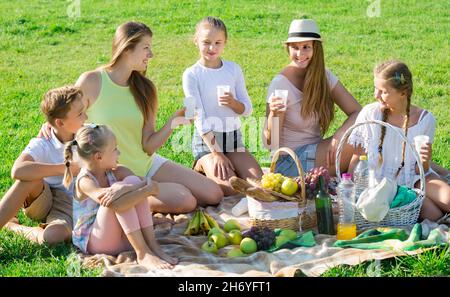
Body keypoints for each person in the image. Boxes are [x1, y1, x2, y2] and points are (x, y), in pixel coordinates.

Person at [41, 21, 223, 214]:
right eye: (146, 48)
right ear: (127, 49)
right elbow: (67, 114)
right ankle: (132, 198)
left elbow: (148, 145)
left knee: (214, 194)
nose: (151, 54)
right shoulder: (92, 81)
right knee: (186, 200)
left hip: (146, 163)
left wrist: (172, 122)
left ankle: (135, 196)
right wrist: (50, 125)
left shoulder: (146, 89)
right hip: (112, 170)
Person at [347, 60, 450, 221]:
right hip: (382, 185)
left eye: (383, 91)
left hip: (415, 179)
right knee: (434, 216)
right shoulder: (371, 114)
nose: (376, 95)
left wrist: (425, 160)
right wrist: (354, 191)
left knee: (448, 199)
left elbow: (419, 170)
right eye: (376, 89)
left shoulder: (425, 119)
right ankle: (421, 205)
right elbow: (357, 160)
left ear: (403, 92)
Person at [63, 124, 177, 269]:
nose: (119, 153)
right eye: (115, 149)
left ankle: (152, 245)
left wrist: (132, 187)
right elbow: (114, 202)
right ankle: (142, 253)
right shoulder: (85, 181)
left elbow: (146, 184)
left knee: (131, 182)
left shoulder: (117, 171)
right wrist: (143, 189)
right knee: (119, 194)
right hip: (97, 242)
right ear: (99, 156)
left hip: (123, 238)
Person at [263, 19, 361, 176]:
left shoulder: (323, 76)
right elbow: (270, 143)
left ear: (316, 48)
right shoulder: (280, 84)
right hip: (288, 162)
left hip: (315, 151)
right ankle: (352, 186)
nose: (300, 54)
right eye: (295, 47)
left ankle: (353, 183)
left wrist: (339, 135)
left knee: (364, 134)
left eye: (306, 47)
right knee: (360, 144)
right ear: (288, 49)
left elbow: (358, 112)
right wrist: (274, 115)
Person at [182, 16, 263, 195]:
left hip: (233, 140)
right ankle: (202, 164)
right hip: (208, 143)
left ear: (225, 42)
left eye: (218, 42)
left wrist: (234, 104)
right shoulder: (191, 74)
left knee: (259, 185)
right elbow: (196, 116)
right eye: (206, 42)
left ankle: (220, 165)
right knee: (231, 191)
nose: (212, 48)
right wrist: (217, 154)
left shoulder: (233, 69)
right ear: (196, 41)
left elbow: (248, 109)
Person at [0, 86, 86, 244]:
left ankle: (15, 227)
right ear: (60, 123)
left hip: (70, 203)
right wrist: (66, 168)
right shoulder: (43, 142)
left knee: (54, 237)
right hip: (43, 199)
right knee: (28, 178)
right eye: (80, 114)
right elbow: (17, 170)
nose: (86, 116)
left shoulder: (89, 136)